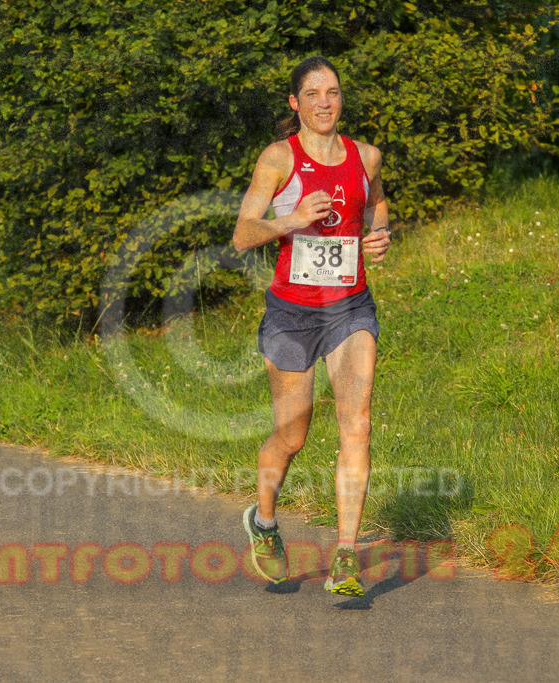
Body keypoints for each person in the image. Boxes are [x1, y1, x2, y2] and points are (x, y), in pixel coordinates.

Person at [233, 56, 391, 596]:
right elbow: (243, 234)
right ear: (295, 104)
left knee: (358, 423)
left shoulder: (365, 157)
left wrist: (381, 232)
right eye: (313, 94)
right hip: (291, 314)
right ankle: (265, 522)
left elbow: (378, 204)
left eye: (334, 92)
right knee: (292, 433)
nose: (325, 102)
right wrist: (293, 219)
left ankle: (345, 556)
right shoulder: (278, 158)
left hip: (350, 307)